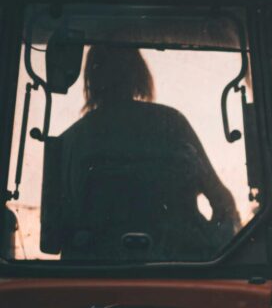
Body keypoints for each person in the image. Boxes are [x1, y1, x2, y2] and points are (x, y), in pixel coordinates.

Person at [43, 45, 239, 260]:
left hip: (95, 276)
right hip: (179, 270)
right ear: (138, 74)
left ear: (90, 80)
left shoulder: (71, 140)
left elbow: (53, 237)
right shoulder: (171, 123)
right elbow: (222, 201)